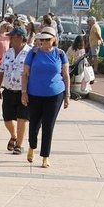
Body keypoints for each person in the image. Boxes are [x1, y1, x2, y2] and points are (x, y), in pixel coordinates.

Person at [19, 27, 70, 168]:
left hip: (55, 94)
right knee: (34, 123)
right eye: (42, 39)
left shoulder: (60, 54)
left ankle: (45, 156)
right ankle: (32, 146)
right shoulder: (33, 53)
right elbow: (25, 74)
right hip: (35, 93)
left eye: (47, 39)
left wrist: (67, 95)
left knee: (48, 125)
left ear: (54, 39)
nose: (44, 42)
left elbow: (65, 75)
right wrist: (24, 92)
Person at [0, 25, 29, 154]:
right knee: (7, 118)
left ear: (21, 38)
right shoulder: (8, 53)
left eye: (13, 37)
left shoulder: (30, 53)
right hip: (8, 91)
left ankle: (19, 145)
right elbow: (1, 71)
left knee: (22, 118)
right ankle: (14, 136)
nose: (10, 40)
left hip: (23, 92)